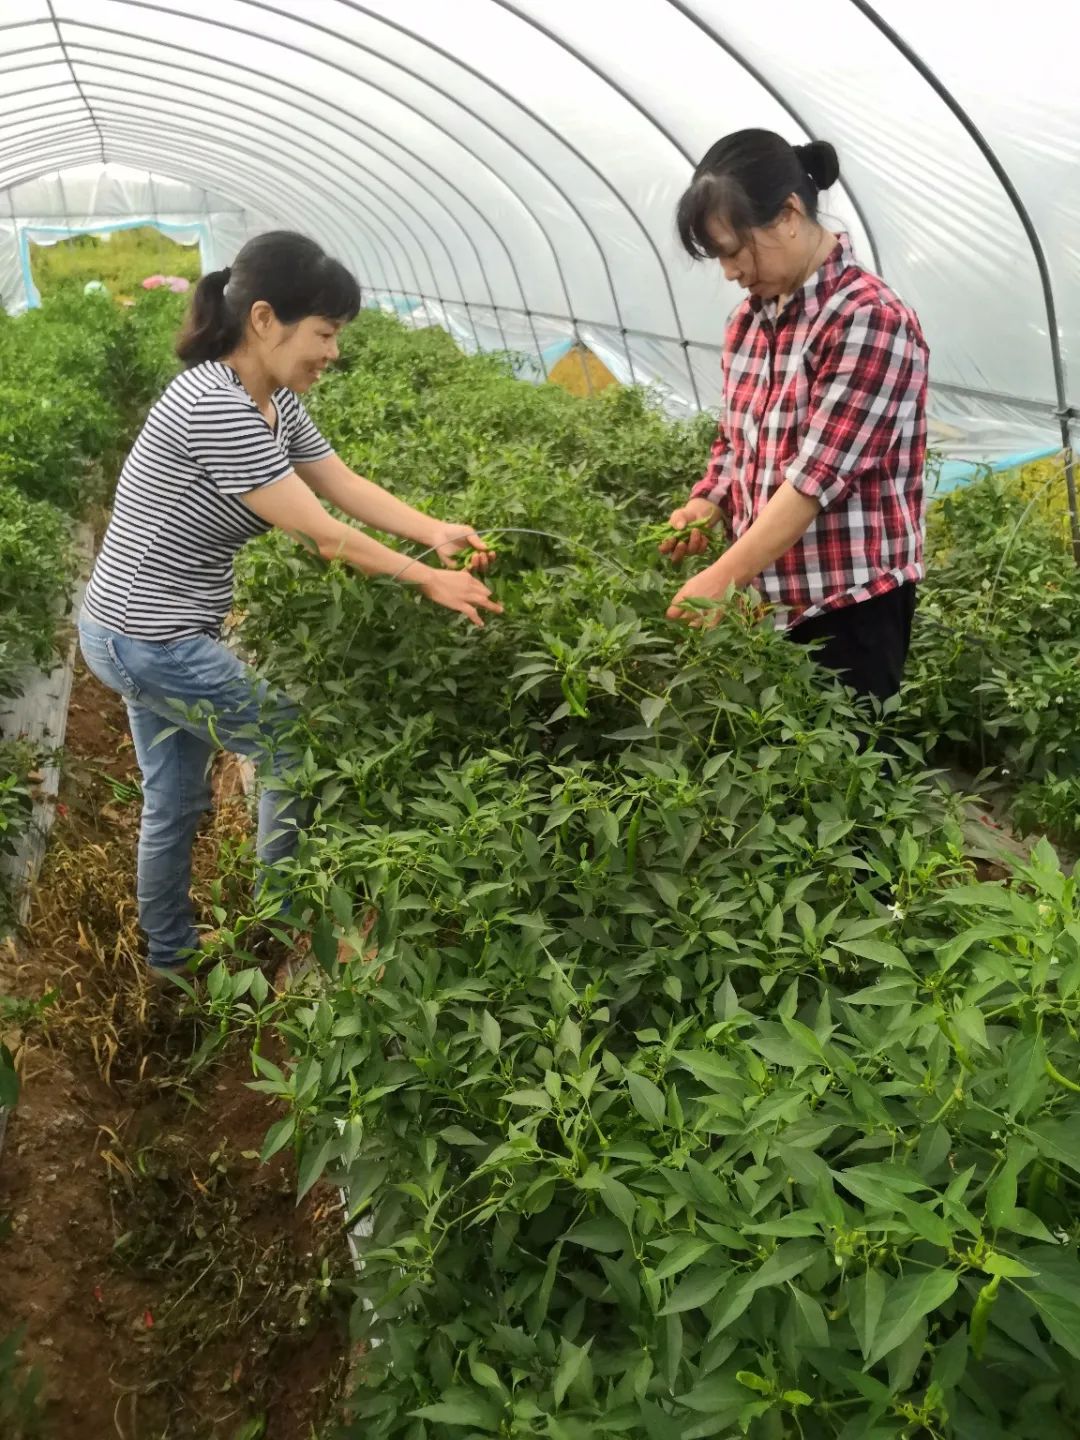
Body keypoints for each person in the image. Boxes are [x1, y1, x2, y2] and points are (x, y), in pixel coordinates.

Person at [79, 231, 501, 977]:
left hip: (151, 628)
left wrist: (434, 531)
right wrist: (426, 578)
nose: (333, 352)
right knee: (288, 741)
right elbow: (322, 534)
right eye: (325, 333)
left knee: (175, 801)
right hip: (146, 637)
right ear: (266, 320)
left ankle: (172, 960)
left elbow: (341, 484)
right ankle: (280, 917)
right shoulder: (214, 403)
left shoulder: (268, 401)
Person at [662, 130, 928, 704]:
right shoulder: (749, 321)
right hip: (767, 595)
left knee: (847, 778)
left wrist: (722, 576)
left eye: (736, 250)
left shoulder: (868, 320)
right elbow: (736, 441)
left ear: (787, 215)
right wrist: (707, 502)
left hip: (847, 601)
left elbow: (813, 482)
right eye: (720, 258)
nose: (731, 271)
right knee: (778, 775)